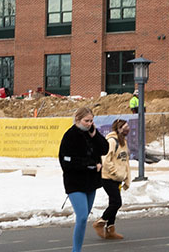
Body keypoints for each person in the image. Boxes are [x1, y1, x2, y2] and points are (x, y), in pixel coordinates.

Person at [58, 108, 108, 252]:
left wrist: (95, 135)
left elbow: (105, 149)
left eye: (91, 121)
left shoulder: (91, 134)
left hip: (90, 182)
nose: (89, 124)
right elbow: (66, 161)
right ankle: (76, 250)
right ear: (78, 120)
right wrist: (90, 165)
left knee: (84, 217)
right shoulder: (70, 136)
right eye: (86, 121)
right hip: (74, 182)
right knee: (81, 217)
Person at [94, 119, 132, 240]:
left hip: (118, 178)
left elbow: (124, 161)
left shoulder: (123, 142)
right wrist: (115, 172)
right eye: (125, 127)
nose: (128, 129)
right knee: (117, 202)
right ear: (119, 128)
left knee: (113, 203)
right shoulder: (112, 141)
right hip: (108, 177)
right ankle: (100, 222)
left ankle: (110, 228)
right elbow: (106, 160)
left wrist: (126, 177)